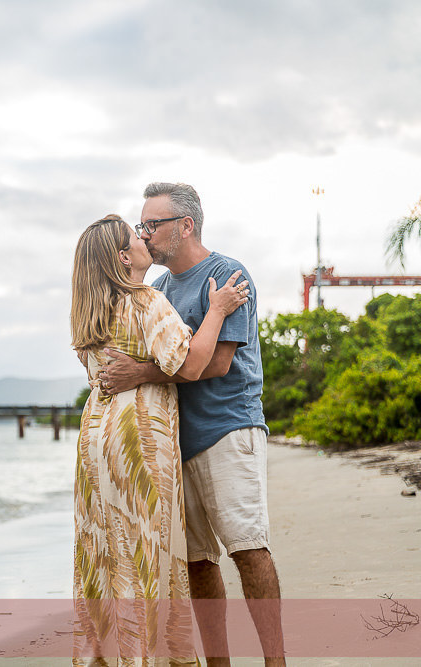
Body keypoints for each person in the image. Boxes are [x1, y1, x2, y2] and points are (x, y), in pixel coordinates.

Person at [98, 183, 285, 667]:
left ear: (186, 226)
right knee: (199, 561)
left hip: (228, 428)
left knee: (247, 547)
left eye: (151, 225)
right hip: (176, 440)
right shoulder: (158, 290)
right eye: (142, 226)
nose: (144, 234)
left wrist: (138, 372)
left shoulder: (226, 275)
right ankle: (219, 662)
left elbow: (216, 364)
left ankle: (275, 661)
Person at [70, 214, 248, 666]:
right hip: (138, 436)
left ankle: (103, 657)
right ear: (123, 257)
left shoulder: (90, 312)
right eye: (137, 235)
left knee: (103, 550)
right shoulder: (145, 299)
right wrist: (218, 311)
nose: (145, 236)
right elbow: (189, 363)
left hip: (95, 437)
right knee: (145, 551)